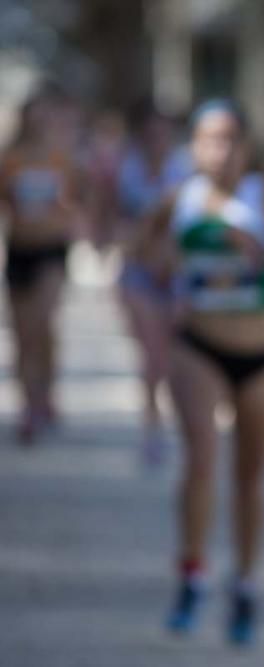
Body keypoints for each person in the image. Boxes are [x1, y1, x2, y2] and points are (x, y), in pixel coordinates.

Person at [134, 98, 264, 645]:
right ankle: (192, 575)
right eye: (207, 138)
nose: (218, 150)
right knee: (201, 460)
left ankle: (244, 584)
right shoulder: (180, 198)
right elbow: (141, 254)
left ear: (246, 147)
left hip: (262, 355)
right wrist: (165, 261)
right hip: (198, 346)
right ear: (193, 146)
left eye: (228, 139)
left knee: (250, 478)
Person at [0, 84, 86, 443]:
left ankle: (44, 394)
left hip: (51, 250)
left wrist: (66, 213)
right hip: (19, 250)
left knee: (41, 324)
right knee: (22, 335)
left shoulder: (61, 158)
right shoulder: (10, 159)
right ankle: (28, 405)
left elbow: (80, 201)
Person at [114, 99, 192, 467]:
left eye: (164, 132)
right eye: (151, 132)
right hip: (137, 273)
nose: (157, 138)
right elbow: (110, 218)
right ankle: (152, 424)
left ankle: (172, 422)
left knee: (173, 357)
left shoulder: (186, 172)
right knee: (152, 354)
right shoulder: (125, 171)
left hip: (177, 276)